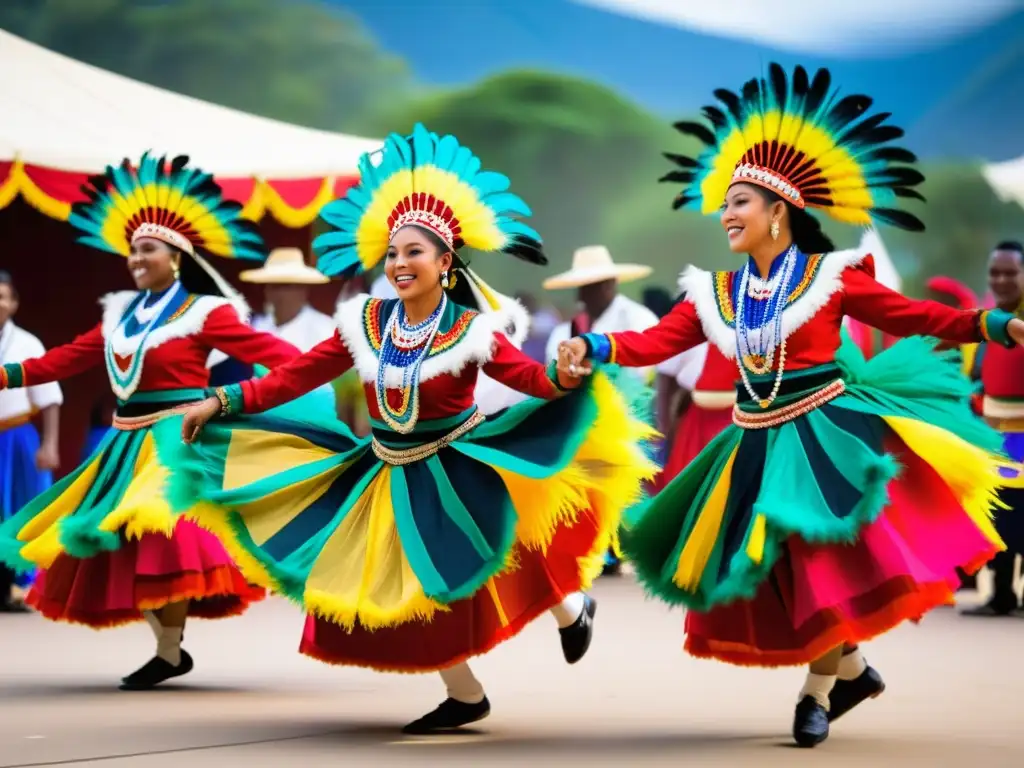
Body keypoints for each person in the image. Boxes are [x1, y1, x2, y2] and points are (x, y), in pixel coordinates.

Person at [557, 63, 1024, 748]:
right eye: (723, 205)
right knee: (778, 576)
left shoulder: (832, 278)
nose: (727, 216)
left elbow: (911, 314)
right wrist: (595, 347)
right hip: (750, 444)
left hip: (826, 437)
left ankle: (815, 693)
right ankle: (856, 671)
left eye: (739, 202)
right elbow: (655, 341)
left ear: (778, 210)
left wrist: (993, 324)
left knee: (818, 565)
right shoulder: (715, 293)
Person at [173, 124, 655, 734]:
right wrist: (224, 400)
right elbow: (294, 376)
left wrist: (564, 377)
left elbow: (533, 380)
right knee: (415, 585)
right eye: (393, 254)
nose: (400, 263)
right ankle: (466, 693)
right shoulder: (366, 321)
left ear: (445, 261)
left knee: (500, 554)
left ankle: (570, 606)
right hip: (383, 466)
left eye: (414, 253)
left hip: (457, 461)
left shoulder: (473, 330)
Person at [0, 154, 301, 688]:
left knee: (167, 532)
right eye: (132, 250)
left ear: (176, 257)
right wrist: (6, 376)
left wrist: (240, 396)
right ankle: (168, 651)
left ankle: (169, 650)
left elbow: (276, 353)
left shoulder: (207, 313)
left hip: (176, 439)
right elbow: (64, 359)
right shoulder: (118, 313)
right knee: (113, 537)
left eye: (148, 249)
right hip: (123, 443)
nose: (136, 259)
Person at [960, 242, 1024, 617]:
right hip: (994, 436)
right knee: (997, 512)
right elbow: (976, 379)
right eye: (994, 272)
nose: (1001, 279)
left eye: (1009, 272)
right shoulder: (984, 323)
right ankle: (1000, 593)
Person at [0, 271, 62, 612]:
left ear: (13, 303)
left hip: (15, 437)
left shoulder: (27, 343)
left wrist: (50, 444)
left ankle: (21, 586)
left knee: (21, 510)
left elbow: (50, 397)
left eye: (1, 296)